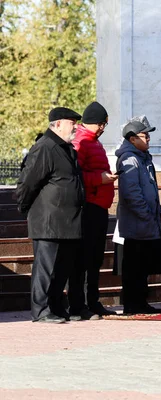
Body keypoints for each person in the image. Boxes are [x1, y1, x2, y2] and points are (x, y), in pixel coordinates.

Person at [16, 107, 84, 323]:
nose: (76, 126)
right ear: (57, 124)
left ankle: (55, 306)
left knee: (61, 268)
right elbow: (27, 183)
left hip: (68, 221)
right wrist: (26, 208)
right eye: (72, 122)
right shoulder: (45, 147)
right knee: (46, 269)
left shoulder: (67, 149)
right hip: (48, 221)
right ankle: (41, 310)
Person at [67, 101, 117, 320]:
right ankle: (80, 304)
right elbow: (74, 176)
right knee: (84, 259)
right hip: (88, 206)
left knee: (95, 258)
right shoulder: (81, 142)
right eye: (102, 124)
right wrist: (101, 179)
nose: (103, 128)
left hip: (99, 206)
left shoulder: (93, 142)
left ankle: (93, 301)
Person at [115, 120, 161, 314]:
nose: (149, 139)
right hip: (136, 223)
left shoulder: (143, 157)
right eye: (145, 135)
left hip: (146, 222)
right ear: (133, 138)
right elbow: (131, 192)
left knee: (142, 265)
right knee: (134, 265)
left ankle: (140, 302)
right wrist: (145, 214)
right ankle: (132, 304)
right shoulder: (129, 158)